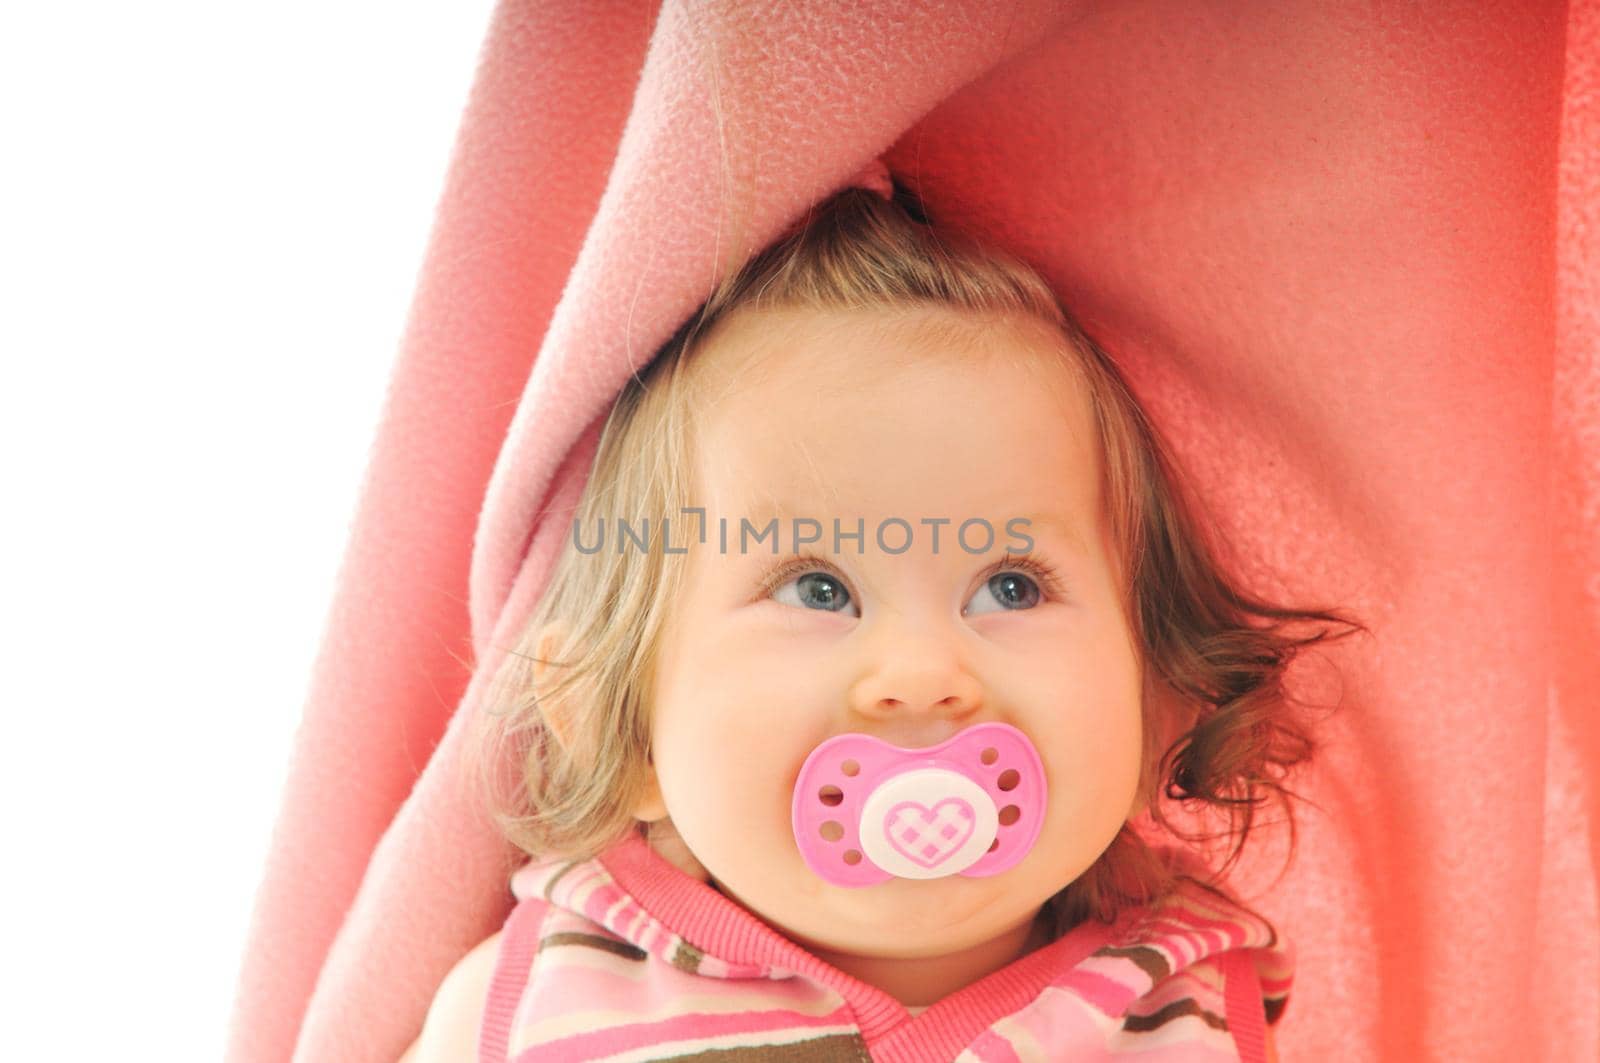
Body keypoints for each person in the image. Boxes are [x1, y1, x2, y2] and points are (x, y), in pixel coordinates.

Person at [399, 160, 1366, 1062]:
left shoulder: (1175, 1014)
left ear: (1161, 705)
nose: (920, 674)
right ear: (624, 724)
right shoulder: (540, 1005)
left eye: (1011, 585)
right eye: (820, 588)